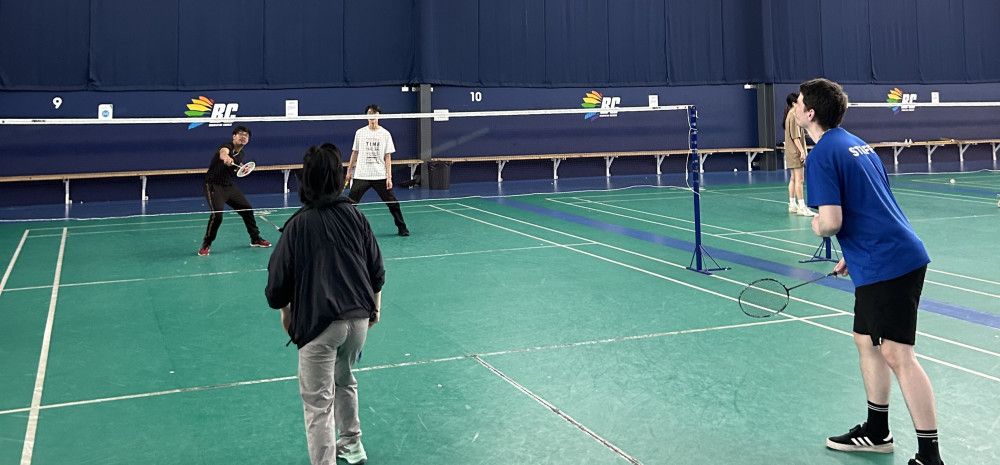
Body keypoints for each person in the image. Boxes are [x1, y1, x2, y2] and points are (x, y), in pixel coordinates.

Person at [795, 78, 943, 465]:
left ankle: (931, 456)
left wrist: (817, 227)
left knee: (898, 354)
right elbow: (874, 204)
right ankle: (877, 431)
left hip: (888, 263)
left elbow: (830, 221)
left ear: (810, 113)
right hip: (885, 253)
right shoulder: (855, 143)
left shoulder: (823, 153)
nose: (794, 106)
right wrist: (854, 253)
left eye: (799, 102)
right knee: (866, 340)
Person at [265, 143, 383, 465]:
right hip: (358, 321)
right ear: (338, 179)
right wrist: (375, 308)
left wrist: (286, 313)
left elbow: (276, 287)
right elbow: (377, 269)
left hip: (320, 326)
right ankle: (353, 445)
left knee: (318, 403)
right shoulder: (356, 215)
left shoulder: (297, 226)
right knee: (344, 379)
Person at [198, 125, 271, 256]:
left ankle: (255, 238)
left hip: (228, 186)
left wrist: (242, 168)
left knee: (247, 210)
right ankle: (206, 244)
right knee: (217, 215)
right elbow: (223, 153)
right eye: (241, 134)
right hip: (213, 185)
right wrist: (226, 157)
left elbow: (236, 169)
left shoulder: (241, 153)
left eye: (246, 136)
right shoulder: (227, 146)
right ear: (234, 136)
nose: (243, 137)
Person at [345, 104, 410, 236]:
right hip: (362, 174)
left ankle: (402, 228)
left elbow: (388, 157)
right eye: (370, 113)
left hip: (380, 175)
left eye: (375, 114)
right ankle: (343, 230)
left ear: (379, 116)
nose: (372, 116)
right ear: (366, 116)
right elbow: (354, 153)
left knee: (393, 203)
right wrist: (349, 172)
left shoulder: (385, 134)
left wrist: (389, 177)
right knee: (349, 205)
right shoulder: (360, 133)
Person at [783, 92, 816, 217]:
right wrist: (802, 151)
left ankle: (792, 204)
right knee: (800, 180)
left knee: (793, 178)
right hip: (796, 152)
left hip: (790, 151)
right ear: (794, 103)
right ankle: (802, 207)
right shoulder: (794, 115)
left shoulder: (789, 114)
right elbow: (795, 137)